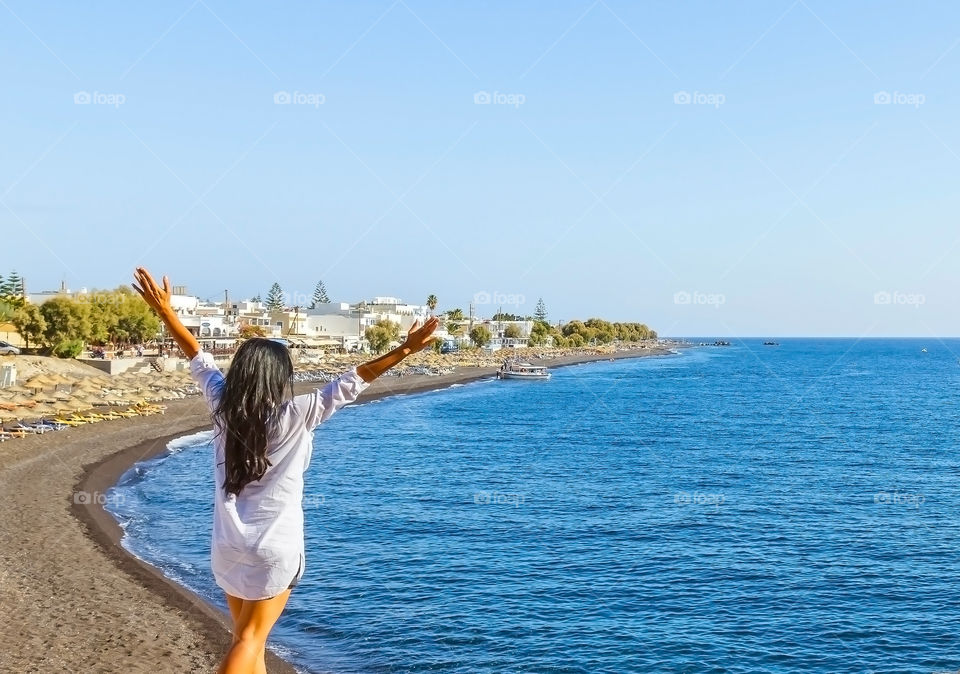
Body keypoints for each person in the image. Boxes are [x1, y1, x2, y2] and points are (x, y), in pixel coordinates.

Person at [132, 267, 438, 674]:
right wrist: (406, 350)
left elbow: (198, 357)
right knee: (249, 640)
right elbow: (355, 379)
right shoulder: (299, 412)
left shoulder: (223, 406)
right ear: (282, 378)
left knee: (251, 643)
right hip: (273, 550)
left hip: (227, 547)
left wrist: (167, 312)